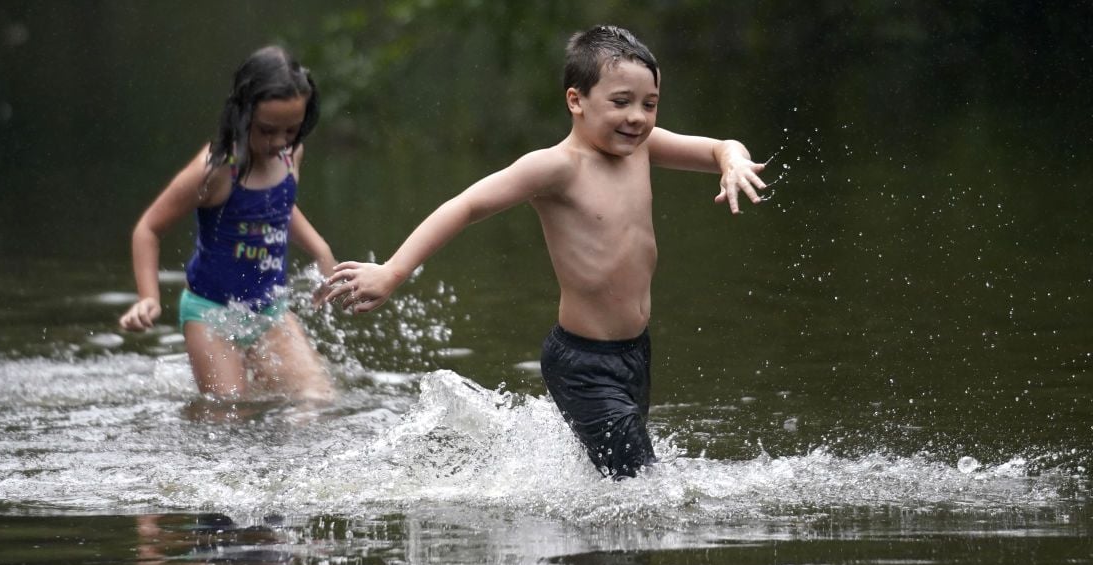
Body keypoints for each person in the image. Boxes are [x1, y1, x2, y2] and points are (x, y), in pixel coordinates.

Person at [327, 26, 768, 478]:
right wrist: (393, 271)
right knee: (642, 482)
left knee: (618, 484)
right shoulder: (557, 167)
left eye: (649, 104)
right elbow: (466, 205)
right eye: (620, 102)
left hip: (635, 353)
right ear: (576, 101)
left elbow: (718, 147)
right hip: (583, 363)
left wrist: (732, 162)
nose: (637, 117)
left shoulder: (642, 149)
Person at [119, 46, 335, 402]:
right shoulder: (216, 169)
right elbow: (148, 228)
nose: (280, 141)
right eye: (267, 130)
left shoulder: (290, 153)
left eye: (292, 130)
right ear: (242, 113)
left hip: (269, 310)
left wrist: (320, 249)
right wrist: (148, 298)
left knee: (317, 398)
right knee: (230, 410)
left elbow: (278, 206)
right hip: (211, 314)